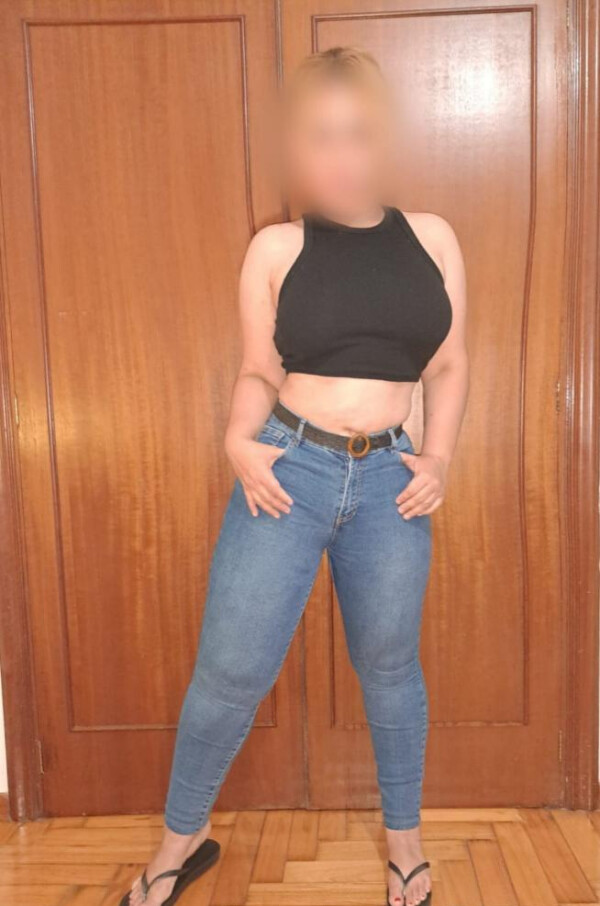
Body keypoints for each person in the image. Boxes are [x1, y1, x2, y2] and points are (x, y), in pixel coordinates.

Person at [122, 46, 468, 906]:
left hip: (391, 483)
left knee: (390, 668)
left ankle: (405, 847)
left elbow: (449, 364)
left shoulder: (433, 238)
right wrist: (237, 440)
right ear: (297, 148)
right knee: (229, 672)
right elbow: (256, 368)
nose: (343, 156)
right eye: (322, 137)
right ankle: (177, 846)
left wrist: (439, 457)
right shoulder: (275, 247)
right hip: (287, 471)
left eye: (358, 134)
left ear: (383, 138)